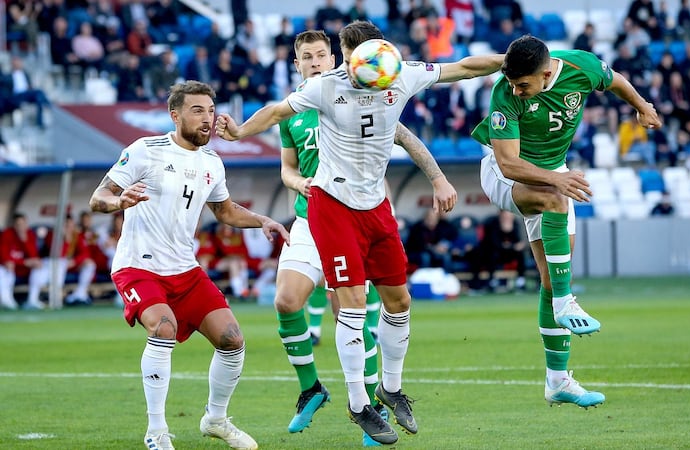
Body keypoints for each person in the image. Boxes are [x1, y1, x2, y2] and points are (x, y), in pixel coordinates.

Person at [216, 20, 500, 444]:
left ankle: (389, 387)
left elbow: (460, 67)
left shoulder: (398, 72)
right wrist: (239, 131)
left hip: (376, 206)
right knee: (346, 302)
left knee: (399, 300)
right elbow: (276, 112)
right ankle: (356, 403)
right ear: (346, 57)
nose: (369, 63)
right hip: (330, 207)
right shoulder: (326, 87)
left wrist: (510, 60)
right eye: (360, 57)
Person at [271, 29, 459, 446]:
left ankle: (373, 403)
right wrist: (297, 181)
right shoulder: (292, 112)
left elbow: (405, 136)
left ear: (334, 57)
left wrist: (438, 177)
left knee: (355, 309)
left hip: (358, 215)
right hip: (309, 216)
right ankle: (312, 388)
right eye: (307, 57)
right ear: (297, 64)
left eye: (322, 54)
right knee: (286, 300)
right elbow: (285, 169)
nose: (316, 62)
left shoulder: (359, 91)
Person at [88, 80, 289, 450]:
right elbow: (98, 196)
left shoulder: (212, 161)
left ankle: (216, 420)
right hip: (138, 266)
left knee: (232, 340)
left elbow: (225, 211)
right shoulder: (145, 150)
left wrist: (263, 220)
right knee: (163, 328)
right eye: (198, 111)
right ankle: (157, 431)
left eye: (211, 111)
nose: (208, 120)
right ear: (175, 114)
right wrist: (118, 203)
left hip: (184, 268)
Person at [472, 35, 661, 408]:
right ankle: (565, 302)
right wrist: (556, 179)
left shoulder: (580, 67)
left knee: (553, 274)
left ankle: (557, 381)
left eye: (523, 84)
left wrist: (643, 106)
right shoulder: (505, 94)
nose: (516, 90)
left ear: (546, 73)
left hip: (553, 173)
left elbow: (617, 80)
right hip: (506, 172)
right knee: (555, 201)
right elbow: (508, 163)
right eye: (512, 83)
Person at [0, 213, 49, 310]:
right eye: (18, 224)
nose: (21, 227)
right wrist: (24, 262)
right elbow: (4, 257)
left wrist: (24, 240)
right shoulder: (7, 234)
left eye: (23, 224)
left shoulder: (30, 234)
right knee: (3, 270)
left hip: (25, 270)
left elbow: (34, 256)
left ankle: (32, 300)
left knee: (40, 268)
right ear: (14, 225)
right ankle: (6, 301)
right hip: (12, 268)